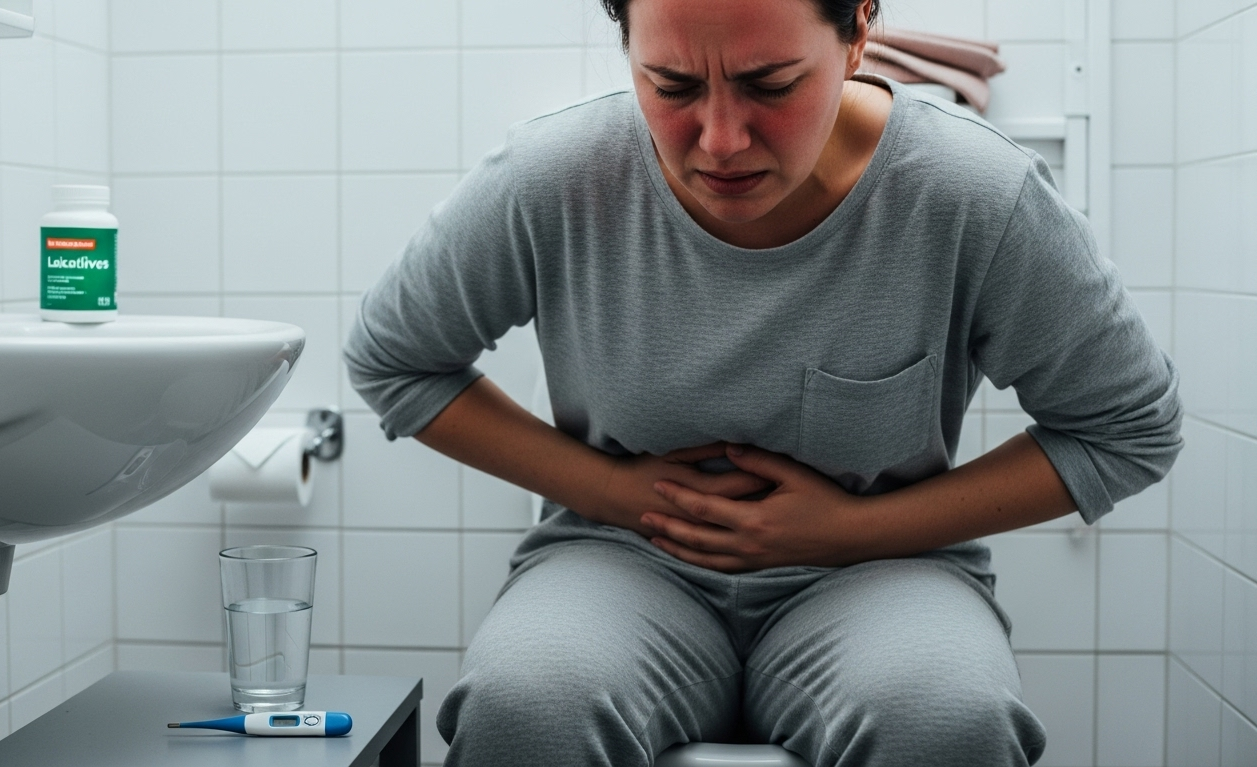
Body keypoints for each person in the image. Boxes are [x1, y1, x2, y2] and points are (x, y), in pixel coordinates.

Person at [344, 0, 1183, 764]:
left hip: (882, 570)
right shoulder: (556, 176)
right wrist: (610, 489)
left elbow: (1127, 428)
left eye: (769, 84)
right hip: (622, 560)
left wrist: (849, 530)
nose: (719, 139)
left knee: (946, 717)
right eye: (669, 83)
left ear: (857, 33)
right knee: (527, 704)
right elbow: (393, 358)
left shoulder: (971, 194)